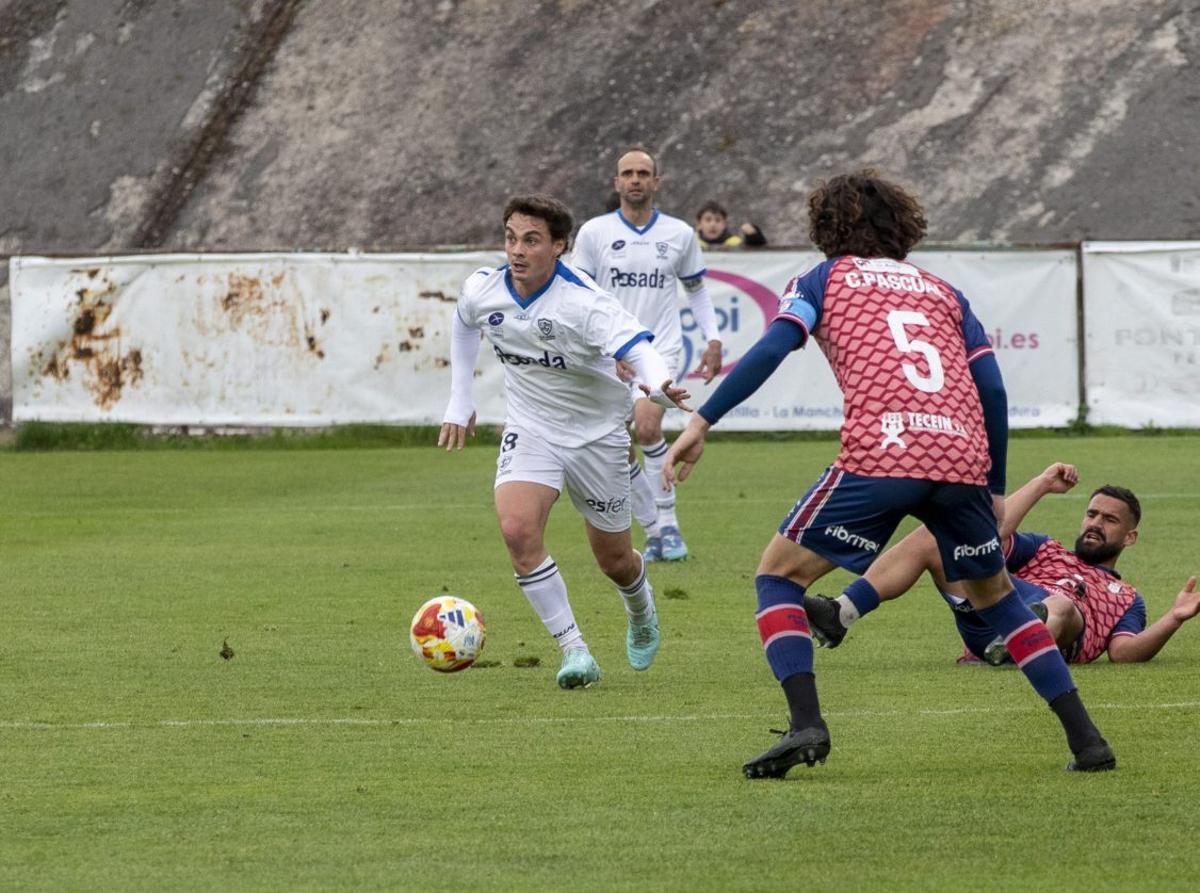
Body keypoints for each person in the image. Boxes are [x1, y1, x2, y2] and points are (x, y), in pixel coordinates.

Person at [664, 168, 1115, 777]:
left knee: (777, 577)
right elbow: (993, 390)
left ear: (827, 225)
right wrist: (997, 486)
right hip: (961, 458)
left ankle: (806, 725)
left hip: (886, 452)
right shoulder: (943, 291)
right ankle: (1088, 742)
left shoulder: (823, 277)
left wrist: (702, 421)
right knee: (999, 599)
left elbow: (773, 347)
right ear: (900, 224)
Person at [439, 193, 691, 689]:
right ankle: (574, 650)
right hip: (531, 428)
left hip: (597, 438)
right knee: (517, 530)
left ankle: (641, 612)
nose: (517, 251)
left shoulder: (585, 302)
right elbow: (465, 322)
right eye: (511, 238)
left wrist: (658, 385)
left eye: (532, 241)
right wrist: (459, 398)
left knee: (615, 561)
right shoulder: (484, 289)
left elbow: (640, 351)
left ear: (559, 246)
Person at [803, 462, 1200, 666]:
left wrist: (1175, 618)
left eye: (1109, 520)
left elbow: (1123, 654)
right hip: (993, 612)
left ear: (1129, 538)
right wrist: (1043, 483)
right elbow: (988, 532)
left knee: (1060, 605)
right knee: (936, 537)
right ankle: (843, 612)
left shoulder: (1128, 598)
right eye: (1092, 514)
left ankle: (1014, 643)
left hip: (1057, 632)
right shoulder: (1046, 549)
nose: (1095, 524)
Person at [572, 146, 723, 563]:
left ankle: (670, 525)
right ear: (616, 182)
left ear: (656, 182)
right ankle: (655, 530)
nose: (635, 179)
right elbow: (580, 297)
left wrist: (712, 339)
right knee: (618, 449)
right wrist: (605, 347)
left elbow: (696, 290)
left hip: (660, 349)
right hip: (608, 354)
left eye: (643, 173)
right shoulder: (593, 234)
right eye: (628, 173)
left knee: (647, 425)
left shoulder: (677, 234)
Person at [695, 200, 768, 249]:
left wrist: (754, 236)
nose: (713, 224)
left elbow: (759, 252)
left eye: (718, 220)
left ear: (724, 224)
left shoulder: (735, 244)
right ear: (699, 225)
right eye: (708, 220)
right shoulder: (691, 244)